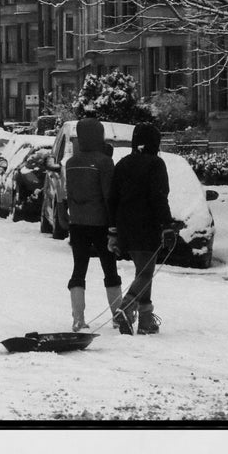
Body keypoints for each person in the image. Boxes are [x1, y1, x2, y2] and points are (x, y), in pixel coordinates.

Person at [108, 121, 179, 335]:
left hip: (125, 224)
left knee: (143, 270)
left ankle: (146, 320)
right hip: (147, 224)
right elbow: (159, 197)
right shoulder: (156, 164)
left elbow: (112, 198)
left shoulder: (123, 163)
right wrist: (167, 225)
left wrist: (113, 229)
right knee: (146, 272)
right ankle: (126, 306)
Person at [63, 117, 132, 334]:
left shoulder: (71, 163)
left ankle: (78, 318)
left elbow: (69, 194)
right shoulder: (104, 162)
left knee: (79, 269)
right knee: (110, 269)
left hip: (77, 222)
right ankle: (117, 316)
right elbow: (109, 196)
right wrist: (114, 227)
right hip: (101, 223)